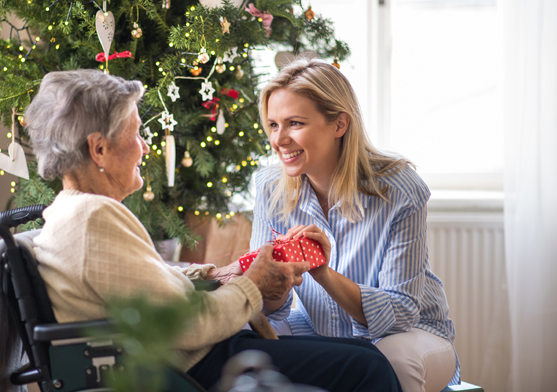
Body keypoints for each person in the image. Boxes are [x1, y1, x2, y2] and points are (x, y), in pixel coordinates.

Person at [25, 69, 401, 392]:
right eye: (135, 134)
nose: (144, 147)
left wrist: (220, 273)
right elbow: (188, 325)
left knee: (367, 355)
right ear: (99, 149)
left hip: (196, 356)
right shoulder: (93, 218)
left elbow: (145, 282)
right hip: (194, 366)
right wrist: (252, 284)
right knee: (369, 368)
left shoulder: (75, 213)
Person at [251, 58, 459, 392]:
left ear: (339, 125)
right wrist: (275, 280)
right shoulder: (268, 188)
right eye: (273, 125)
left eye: (294, 123)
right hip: (317, 329)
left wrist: (323, 273)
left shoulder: (400, 190)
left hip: (411, 334)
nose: (280, 139)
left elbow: (401, 312)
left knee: (392, 361)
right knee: (253, 348)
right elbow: (265, 306)